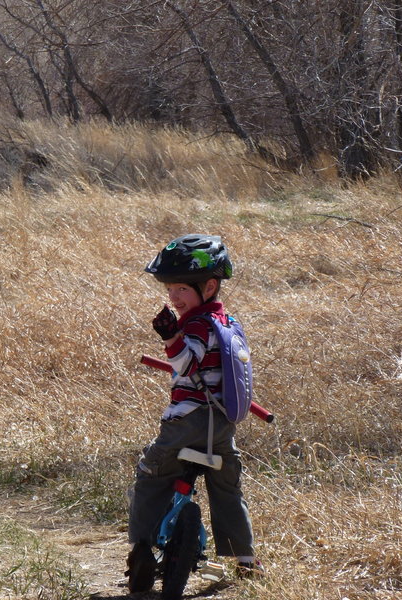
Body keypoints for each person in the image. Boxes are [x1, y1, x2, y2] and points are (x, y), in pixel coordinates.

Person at [126, 234, 262, 592]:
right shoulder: (226, 323)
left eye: (182, 289)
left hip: (186, 422)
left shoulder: (198, 325)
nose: (173, 297)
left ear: (210, 286)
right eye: (170, 289)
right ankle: (246, 558)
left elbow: (186, 363)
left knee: (151, 473)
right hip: (222, 425)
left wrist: (170, 338)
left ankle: (140, 548)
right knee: (227, 485)